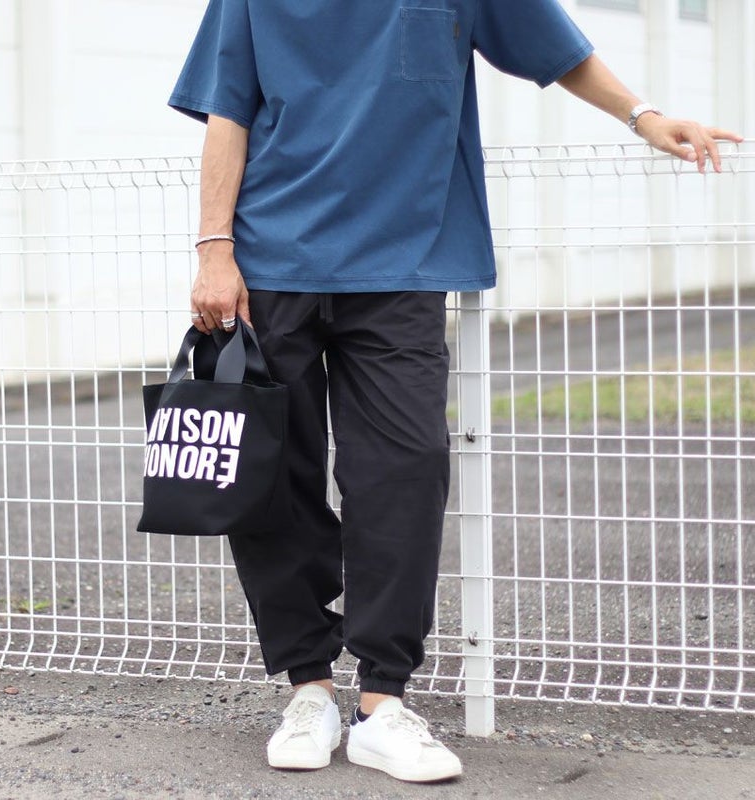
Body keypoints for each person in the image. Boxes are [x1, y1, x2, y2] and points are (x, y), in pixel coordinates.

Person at [168, 0, 741, 783]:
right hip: (271, 260)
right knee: (271, 477)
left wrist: (643, 116)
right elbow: (228, 109)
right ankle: (308, 688)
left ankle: (382, 702)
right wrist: (214, 250)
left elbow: (553, 47)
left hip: (406, 262)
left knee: (406, 470)